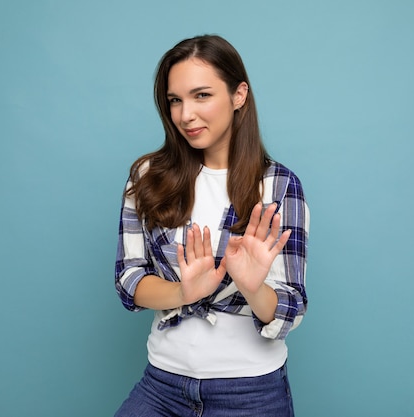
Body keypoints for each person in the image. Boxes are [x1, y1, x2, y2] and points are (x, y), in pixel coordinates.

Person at [114, 34, 309, 417]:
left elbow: (292, 304)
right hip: (162, 386)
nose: (185, 114)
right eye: (175, 100)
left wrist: (253, 288)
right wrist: (184, 292)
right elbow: (129, 278)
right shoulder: (147, 176)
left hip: (251, 394)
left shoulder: (279, 186)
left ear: (239, 96)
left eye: (202, 95)